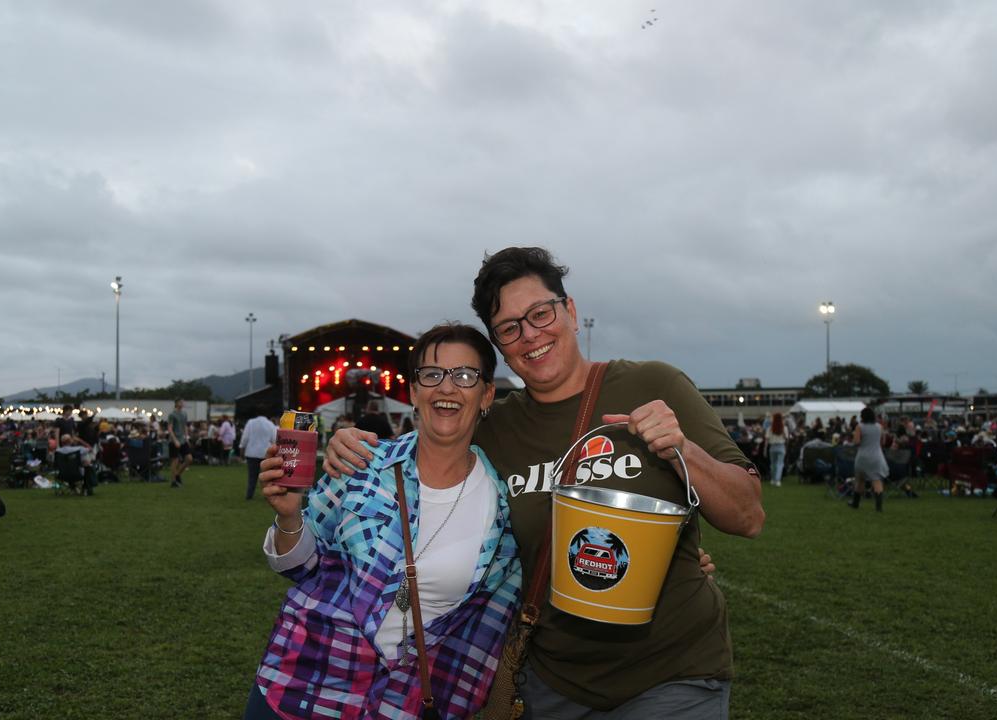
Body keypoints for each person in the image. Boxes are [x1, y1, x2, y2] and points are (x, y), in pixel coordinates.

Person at [321, 247, 764, 717]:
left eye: (540, 313)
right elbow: (420, 458)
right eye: (509, 328)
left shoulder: (654, 384)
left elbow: (748, 516)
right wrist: (350, 445)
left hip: (672, 672)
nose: (530, 334)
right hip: (552, 685)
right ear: (500, 345)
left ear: (570, 311)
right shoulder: (493, 429)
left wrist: (683, 450)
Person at [247, 324, 522, 720]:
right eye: (432, 374)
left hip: (397, 705)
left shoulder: (503, 512)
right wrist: (289, 516)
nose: (447, 387)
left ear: (487, 394)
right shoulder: (361, 463)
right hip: (301, 686)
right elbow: (300, 566)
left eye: (464, 375)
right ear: (413, 391)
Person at [849, 407, 889, 511]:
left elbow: (856, 442)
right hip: (876, 457)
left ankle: (855, 503)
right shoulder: (879, 427)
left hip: (863, 456)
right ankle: (878, 506)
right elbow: (883, 443)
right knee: (876, 480)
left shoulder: (860, 427)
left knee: (860, 480)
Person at [239, 410, 276, 500]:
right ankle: (267, 495)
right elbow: (274, 439)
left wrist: (241, 449)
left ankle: (249, 495)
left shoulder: (251, 423)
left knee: (252, 477)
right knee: (266, 477)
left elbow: (245, 438)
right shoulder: (270, 424)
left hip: (251, 453)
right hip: (265, 453)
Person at [167, 399, 192, 487]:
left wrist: (187, 437)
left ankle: (177, 474)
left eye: (183, 402)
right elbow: (170, 428)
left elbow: (185, 426)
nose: (183, 403)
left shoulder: (184, 414)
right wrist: (174, 440)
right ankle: (173, 482)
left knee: (189, 459)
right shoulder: (172, 415)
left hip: (183, 440)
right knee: (175, 461)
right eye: (181, 402)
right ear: (176, 403)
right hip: (174, 440)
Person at [764, 412, 790, 487]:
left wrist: (765, 449)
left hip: (772, 447)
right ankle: (777, 480)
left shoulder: (770, 428)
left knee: (773, 464)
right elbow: (787, 439)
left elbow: (766, 440)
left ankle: (773, 479)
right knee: (780, 464)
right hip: (781, 446)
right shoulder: (784, 428)